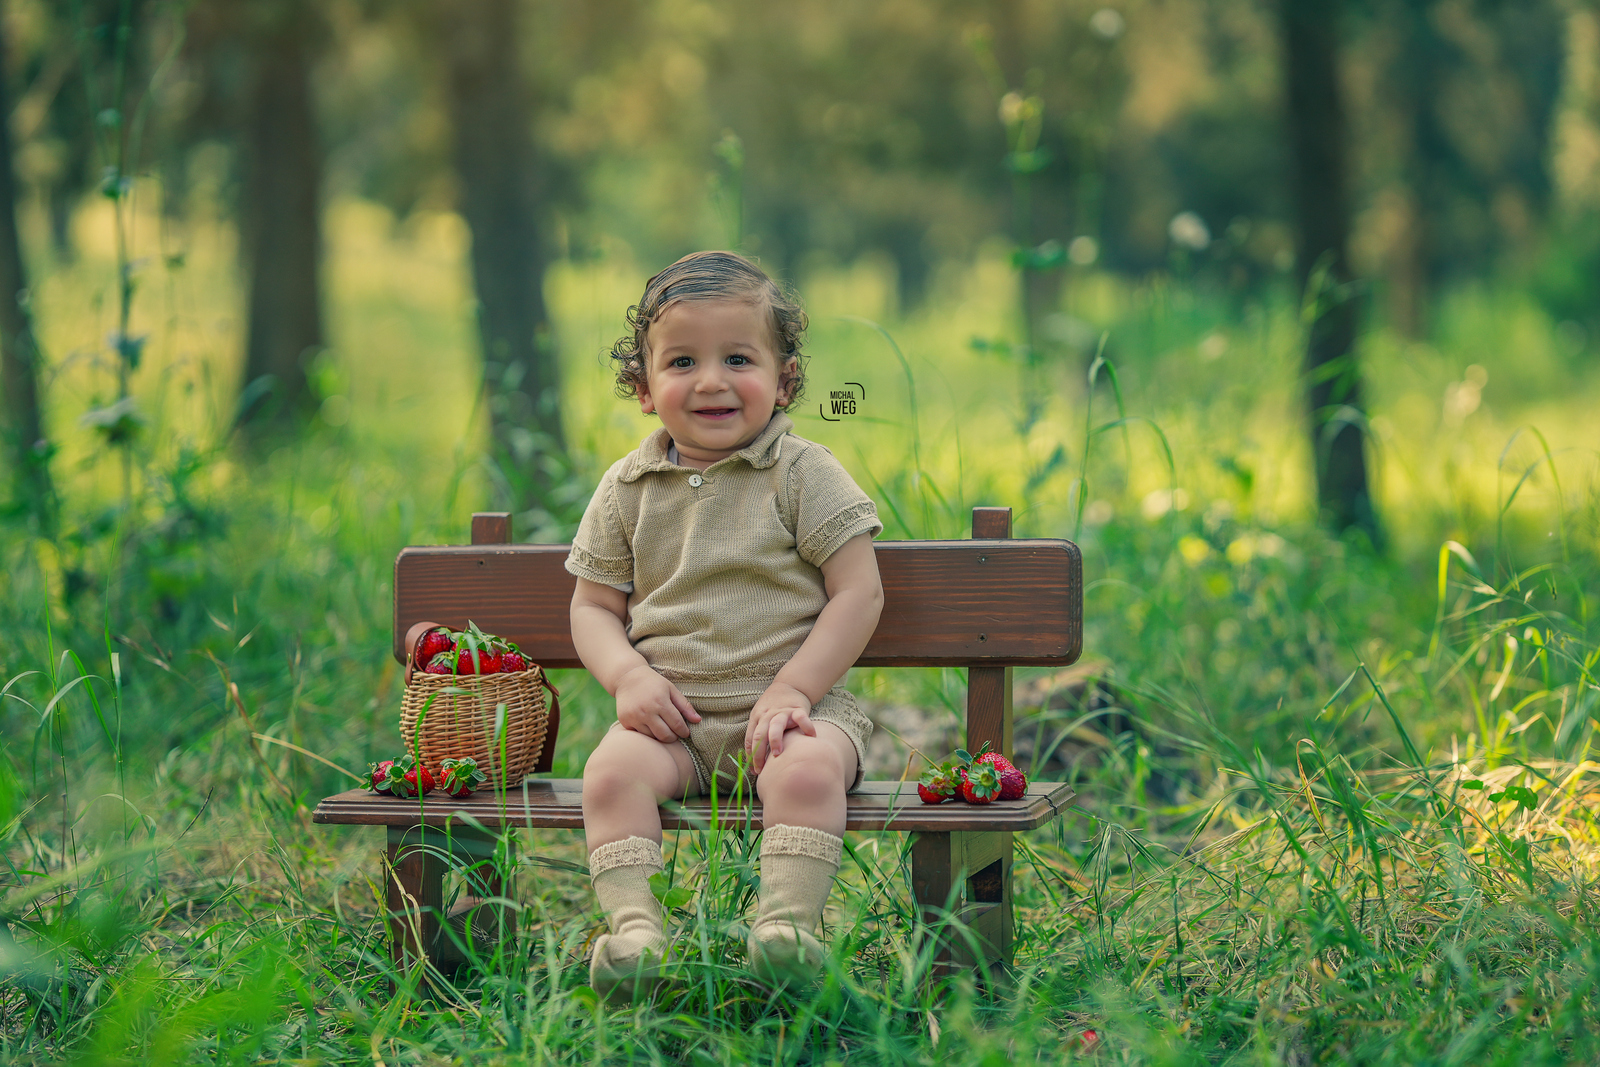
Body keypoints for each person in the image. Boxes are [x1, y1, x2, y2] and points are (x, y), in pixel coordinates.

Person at [566, 251, 883, 999]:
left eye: (738, 357)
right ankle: (635, 933)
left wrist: (794, 690)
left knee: (806, 771)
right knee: (609, 774)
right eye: (682, 361)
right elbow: (591, 607)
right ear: (645, 389)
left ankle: (787, 930)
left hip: (792, 714)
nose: (710, 379)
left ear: (785, 380)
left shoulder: (802, 472)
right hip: (670, 720)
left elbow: (858, 593)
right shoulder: (626, 488)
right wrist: (629, 676)